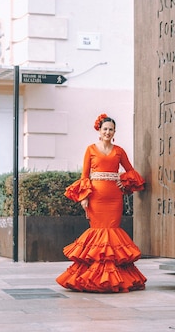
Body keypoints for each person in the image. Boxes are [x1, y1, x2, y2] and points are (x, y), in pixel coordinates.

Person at [56, 113, 146, 293]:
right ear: (99, 130)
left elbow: (131, 171)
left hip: (114, 197)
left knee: (112, 233)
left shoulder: (119, 150)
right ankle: (94, 278)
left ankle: (114, 278)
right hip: (96, 197)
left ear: (114, 132)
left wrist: (123, 181)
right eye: (105, 129)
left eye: (111, 129)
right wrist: (84, 197)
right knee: (97, 233)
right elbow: (84, 176)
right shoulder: (90, 149)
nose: (108, 132)